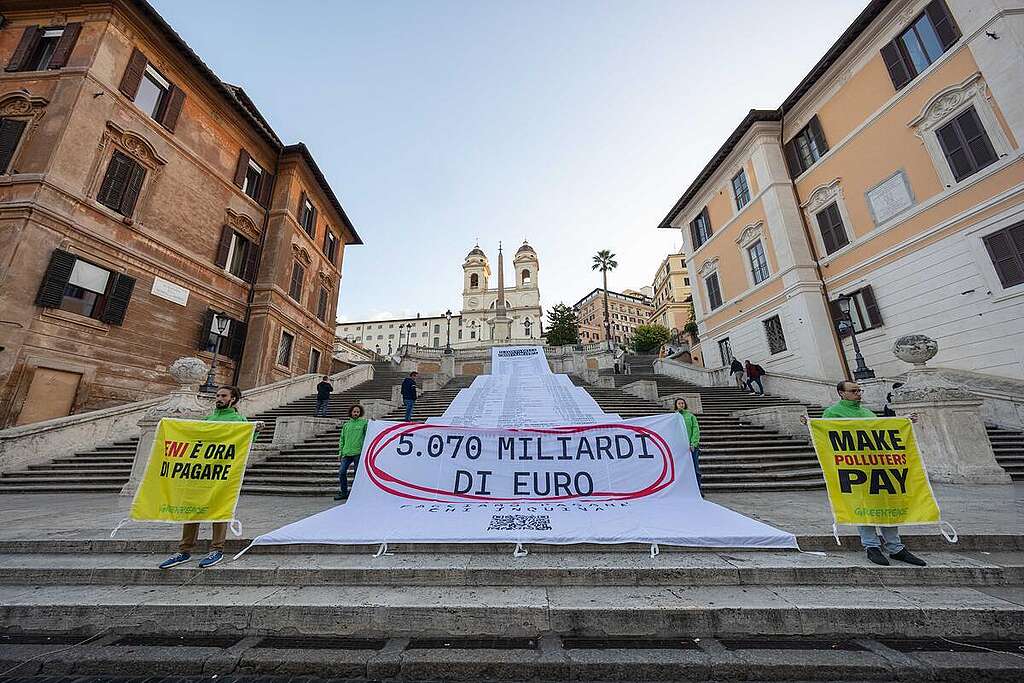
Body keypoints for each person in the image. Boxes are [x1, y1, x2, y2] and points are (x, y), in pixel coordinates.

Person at [817, 380, 926, 568]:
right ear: (841, 393)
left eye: (859, 390)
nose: (858, 393)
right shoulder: (832, 413)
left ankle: (896, 547)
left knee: (887, 504)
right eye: (853, 391)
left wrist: (903, 421)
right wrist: (809, 424)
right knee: (863, 506)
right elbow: (825, 436)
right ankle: (871, 546)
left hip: (877, 467)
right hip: (855, 468)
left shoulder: (867, 412)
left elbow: (879, 430)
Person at [159, 385, 263, 570]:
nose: (219, 398)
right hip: (200, 472)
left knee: (220, 510)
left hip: (222, 474)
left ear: (233, 399)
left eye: (223, 395)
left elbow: (244, 444)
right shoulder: (208, 419)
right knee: (191, 510)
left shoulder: (239, 420)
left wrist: (254, 431)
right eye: (217, 395)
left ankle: (217, 548)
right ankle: (184, 549)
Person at [335, 404, 369, 500]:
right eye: (354, 411)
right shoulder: (346, 425)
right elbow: (342, 439)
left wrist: (373, 423)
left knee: (357, 474)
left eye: (358, 412)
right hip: (346, 453)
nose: (356, 413)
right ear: (351, 412)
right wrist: (340, 452)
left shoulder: (364, 423)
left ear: (360, 413)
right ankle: (344, 492)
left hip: (358, 452)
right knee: (342, 472)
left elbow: (370, 432)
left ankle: (356, 493)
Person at [674, 398, 701, 491]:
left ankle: (698, 489)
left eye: (682, 403)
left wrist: (694, 443)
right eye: (679, 403)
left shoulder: (691, 416)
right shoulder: (673, 417)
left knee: (695, 469)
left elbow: (695, 430)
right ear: (676, 405)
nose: (681, 405)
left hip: (691, 447)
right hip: (679, 447)